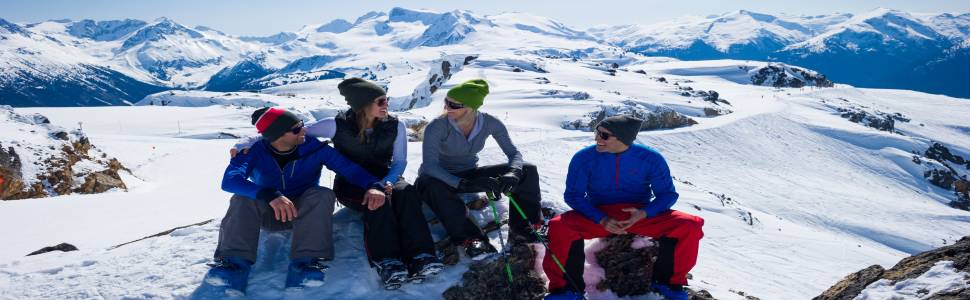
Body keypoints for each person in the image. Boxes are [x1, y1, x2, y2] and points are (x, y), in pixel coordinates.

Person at [231, 78, 443, 289]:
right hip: (350, 183)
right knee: (377, 203)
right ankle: (387, 261)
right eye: (380, 101)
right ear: (363, 104)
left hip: (385, 177)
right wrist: (246, 143)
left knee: (406, 192)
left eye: (386, 99)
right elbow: (287, 133)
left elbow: (399, 162)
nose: (386, 104)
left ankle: (422, 255)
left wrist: (383, 183)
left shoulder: (395, 126)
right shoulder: (335, 125)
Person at [206, 107, 386, 296]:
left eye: (301, 125)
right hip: (268, 212)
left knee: (322, 194)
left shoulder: (314, 148)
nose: (304, 130)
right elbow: (230, 180)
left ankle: (305, 264)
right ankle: (234, 267)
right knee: (242, 197)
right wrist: (269, 194)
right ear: (277, 135)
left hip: (304, 215)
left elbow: (350, 170)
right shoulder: (253, 151)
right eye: (296, 128)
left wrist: (373, 185)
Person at [542, 115, 704, 300]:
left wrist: (644, 213)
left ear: (622, 138)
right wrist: (601, 218)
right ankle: (566, 289)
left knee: (689, 225)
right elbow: (573, 195)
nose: (597, 138)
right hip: (599, 214)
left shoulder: (650, 158)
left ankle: (668, 283)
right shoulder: (584, 158)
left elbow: (667, 194)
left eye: (604, 135)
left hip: (640, 214)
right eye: (597, 132)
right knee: (559, 226)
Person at [416, 79, 544, 260]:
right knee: (431, 185)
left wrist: (513, 172)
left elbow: (514, 153)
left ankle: (524, 230)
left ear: (471, 107)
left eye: (454, 104)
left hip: (469, 173)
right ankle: (473, 240)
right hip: (437, 177)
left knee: (528, 170)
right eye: (446, 101)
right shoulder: (437, 126)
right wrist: (464, 184)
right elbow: (430, 166)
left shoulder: (490, 123)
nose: (447, 107)